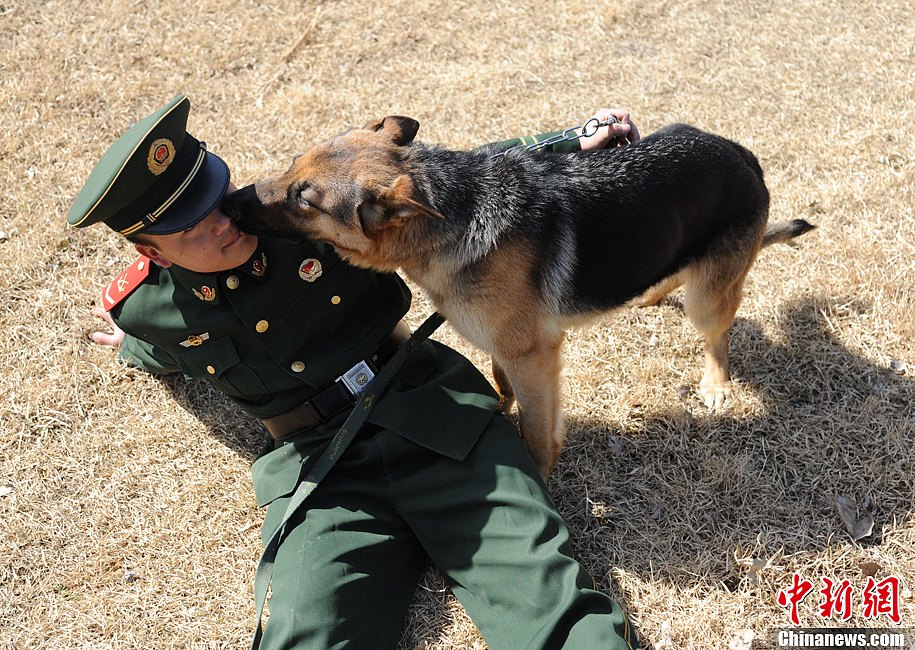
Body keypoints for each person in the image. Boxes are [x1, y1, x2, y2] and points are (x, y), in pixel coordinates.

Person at [73, 95, 642, 650]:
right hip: (323, 471)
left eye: (218, 196)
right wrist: (133, 344)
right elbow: (164, 347)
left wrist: (570, 140)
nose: (226, 220)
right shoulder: (149, 310)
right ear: (157, 255)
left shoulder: (305, 216)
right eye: (193, 227)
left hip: (430, 412)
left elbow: (451, 179)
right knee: (309, 634)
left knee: (546, 599)